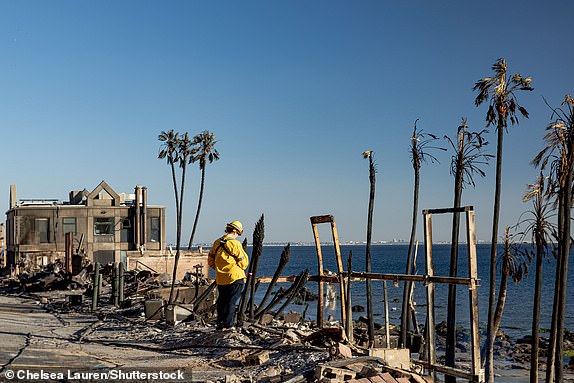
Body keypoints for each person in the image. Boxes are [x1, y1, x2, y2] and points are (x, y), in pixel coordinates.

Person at [208, 220, 249, 331]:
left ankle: (220, 324)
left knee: (222, 301)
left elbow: (210, 260)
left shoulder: (217, 242)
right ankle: (228, 325)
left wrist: (219, 269)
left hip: (221, 278)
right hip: (235, 277)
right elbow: (243, 263)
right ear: (236, 231)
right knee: (231, 301)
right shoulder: (235, 244)